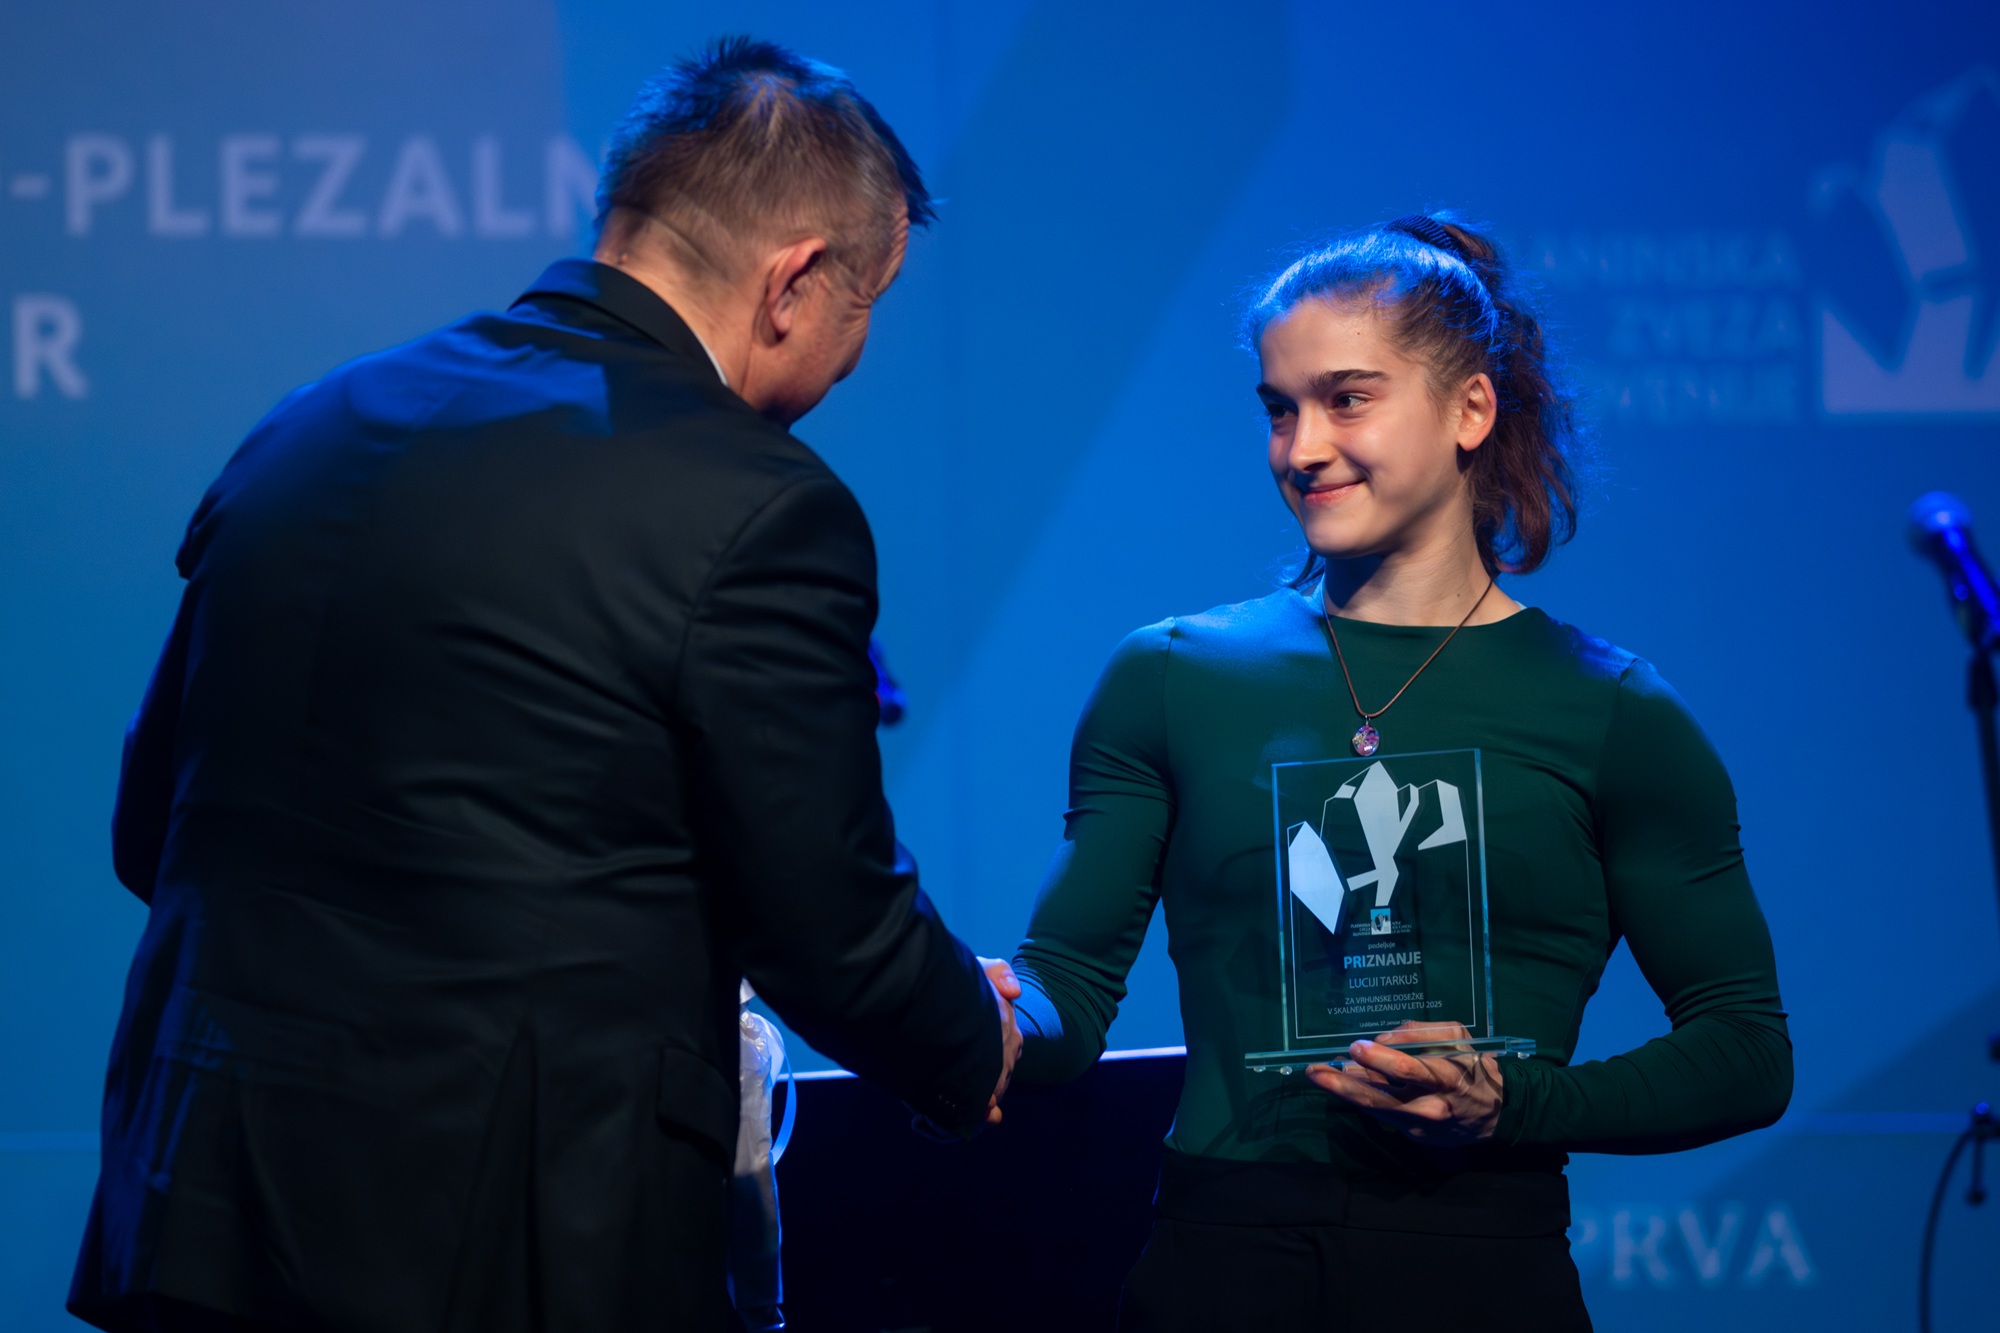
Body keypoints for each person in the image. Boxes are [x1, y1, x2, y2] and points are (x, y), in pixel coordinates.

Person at [69, 38, 1019, 1333]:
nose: (856, 355)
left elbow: (153, 832)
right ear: (794, 280)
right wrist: (971, 1038)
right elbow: (829, 926)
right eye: (869, 304)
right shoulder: (757, 506)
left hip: (197, 1212)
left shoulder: (308, 426)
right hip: (492, 1242)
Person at [1001, 214, 1792, 1330]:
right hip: (1221, 1265)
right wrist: (975, 1019)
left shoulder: (1612, 710)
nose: (1300, 448)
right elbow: (1065, 992)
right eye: (1279, 408)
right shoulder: (1171, 677)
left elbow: (1744, 1049)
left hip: (1480, 1270)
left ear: (1470, 408)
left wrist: (1512, 1101)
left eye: (1346, 399)